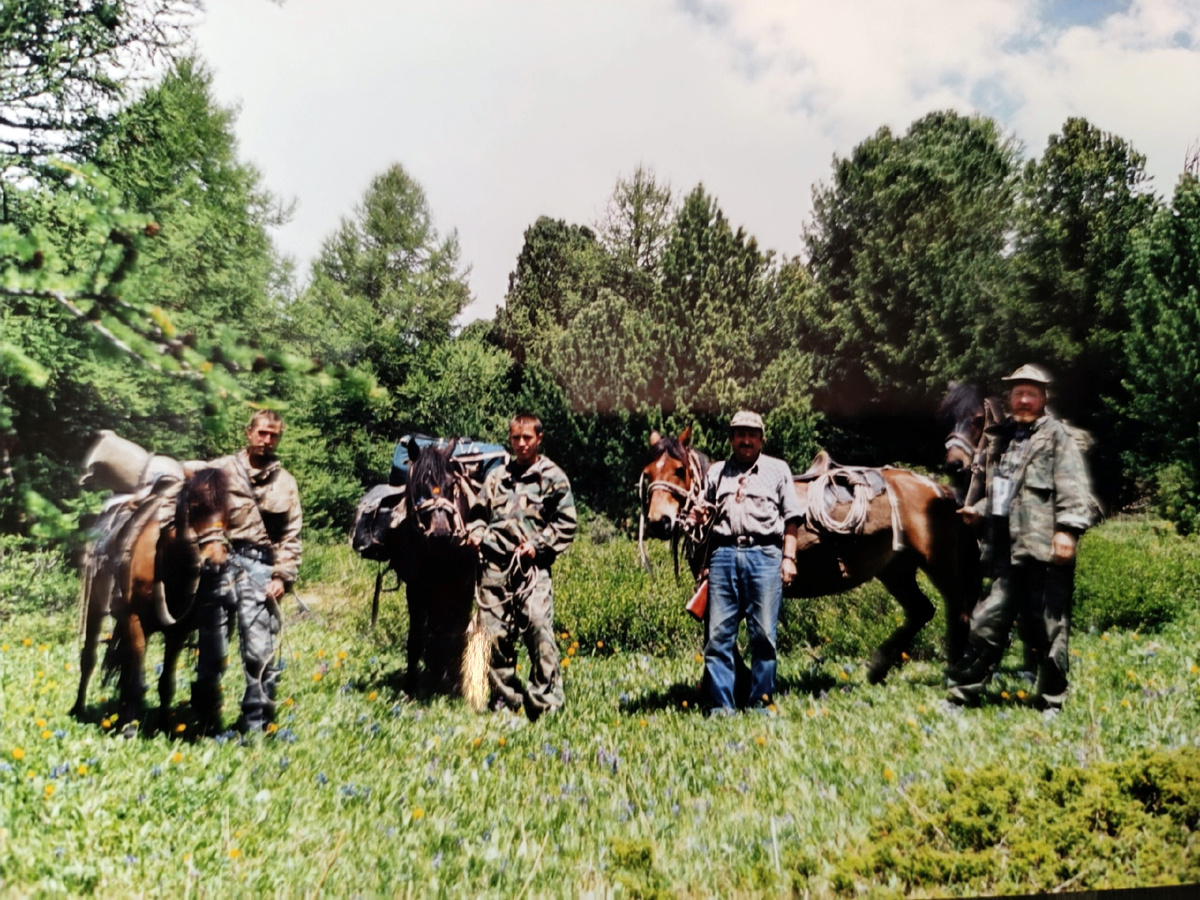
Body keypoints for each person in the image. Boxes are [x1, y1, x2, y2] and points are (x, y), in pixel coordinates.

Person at [947, 365, 1093, 711]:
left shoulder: (1058, 437)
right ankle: (962, 695)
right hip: (1004, 555)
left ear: (1043, 398)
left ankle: (1052, 701)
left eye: (1031, 393)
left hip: (1044, 551)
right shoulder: (1005, 439)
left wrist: (1068, 530)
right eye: (1017, 393)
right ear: (1010, 398)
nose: (1023, 399)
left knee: (1048, 631)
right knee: (984, 624)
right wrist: (979, 511)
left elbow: (1073, 488)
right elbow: (1004, 491)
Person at [194, 410, 302, 733]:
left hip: (261, 570)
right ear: (249, 433)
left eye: (274, 435)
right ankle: (205, 719)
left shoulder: (286, 483)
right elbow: (196, 509)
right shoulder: (220, 470)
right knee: (212, 650)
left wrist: (282, 576)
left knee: (259, 652)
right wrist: (212, 542)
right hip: (220, 567)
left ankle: (256, 721)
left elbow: (291, 535)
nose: (267, 440)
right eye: (262, 433)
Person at [690, 410, 801, 713]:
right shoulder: (716, 472)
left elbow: (792, 518)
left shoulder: (778, 470)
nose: (746, 440)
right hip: (723, 555)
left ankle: (761, 704)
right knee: (717, 637)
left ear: (762, 439)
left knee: (764, 636)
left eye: (752, 434)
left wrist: (788, 558)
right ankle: (721, 706)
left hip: (765, 554)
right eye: (740, 434)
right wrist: (698, 514)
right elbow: (704, 510)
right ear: (731, 438)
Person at [468, 413, 577, 720]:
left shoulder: (553, 477)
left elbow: (566, 523)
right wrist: (477, 534)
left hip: (532, 569)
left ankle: (544, 699)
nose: (521, 444)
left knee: (539, 625)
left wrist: (538, 545)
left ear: (538, 439)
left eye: (527, 438)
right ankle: (505, 699)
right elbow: (477, 513)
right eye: (515, 438)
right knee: (493, 634)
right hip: (494, 568)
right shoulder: (497, 476)